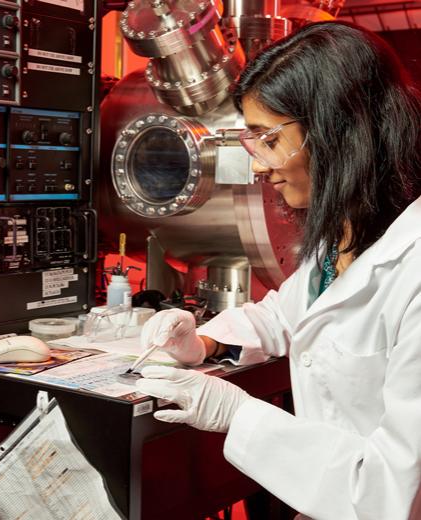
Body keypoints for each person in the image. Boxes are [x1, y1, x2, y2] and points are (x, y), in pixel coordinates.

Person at [135, 21, 421, 520]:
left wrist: (238, 414)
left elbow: (391, 491)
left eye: (268, 139)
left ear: (340, 130)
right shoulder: (347, 232)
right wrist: (204, 341)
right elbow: (289, 314)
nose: (260, 167)